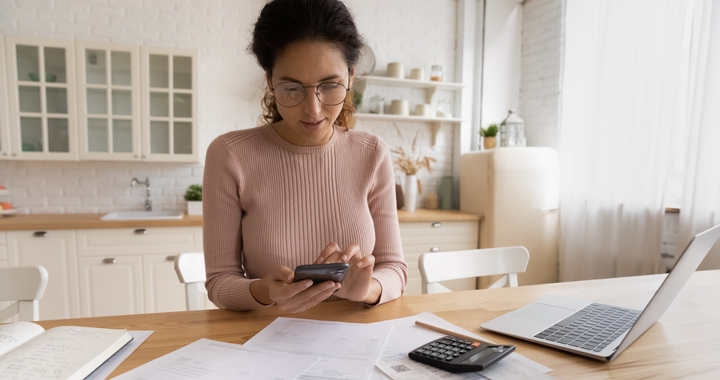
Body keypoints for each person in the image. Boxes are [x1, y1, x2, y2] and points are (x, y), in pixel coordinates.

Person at [202, 0, 408, 313]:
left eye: (330, 85)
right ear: (270, 79)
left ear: (351, 76)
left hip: (356, 340)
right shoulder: (231, 155)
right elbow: (219, 282)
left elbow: (395, 269)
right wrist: (263, 291)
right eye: (292, 88)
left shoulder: (371, 153)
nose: (313, 109)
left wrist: (367, 289)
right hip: (265, 341)